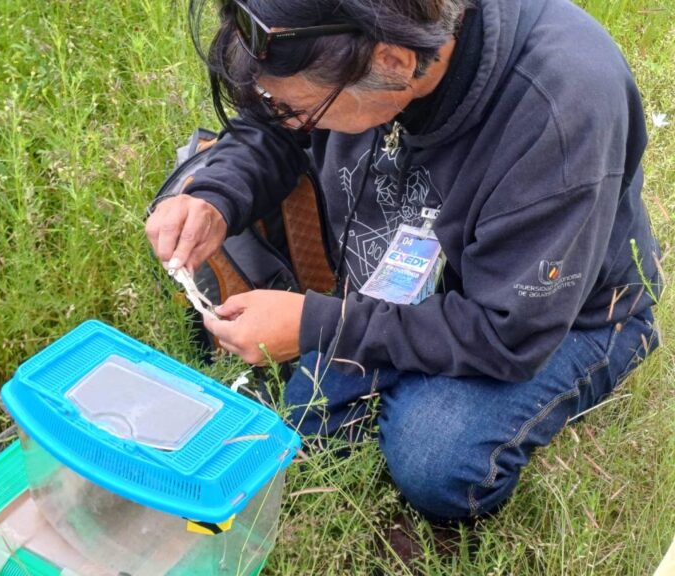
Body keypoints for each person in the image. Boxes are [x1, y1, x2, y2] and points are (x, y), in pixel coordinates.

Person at [145, 0, 661, 523]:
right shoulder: (350, 43)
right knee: (307, 411)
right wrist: (216, 195)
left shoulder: (560, 107)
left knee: (435, 453)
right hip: (396, 286)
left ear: (393, 65)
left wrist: (316, 325)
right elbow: (275, 125)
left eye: (303, 109)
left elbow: (507, 333)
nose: (290, 117)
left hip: (561, 317)